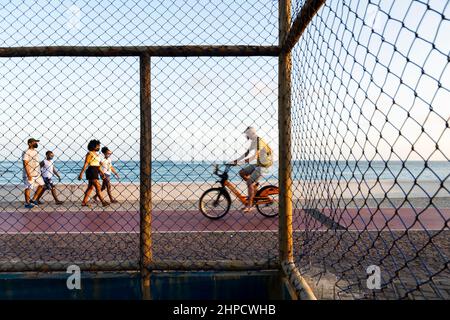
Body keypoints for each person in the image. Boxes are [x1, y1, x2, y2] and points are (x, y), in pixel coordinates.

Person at [229, 127, 273, 213]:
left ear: (251, 133)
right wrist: (236, 160)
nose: (246, 136)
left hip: (265, 165)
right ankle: (253, 187)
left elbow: (254, 156)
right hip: (259, 163)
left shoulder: (259, 141)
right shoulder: (254, 141)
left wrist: (240, 162)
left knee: (249, 182)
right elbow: (247, 153)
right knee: (242, 172)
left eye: (247, 134)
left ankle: (249, 205)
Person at [78, 140, 109, 207]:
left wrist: (101, 172)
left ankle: (84, 202)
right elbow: (86, 164)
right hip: (91, 170)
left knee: (90, 187)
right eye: (98, 146)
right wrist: (81, 173)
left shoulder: (97, 155)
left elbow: (97, 165)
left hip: (96, 170)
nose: (99, 147)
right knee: (98, 186)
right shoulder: (90, 153)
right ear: (93, 146)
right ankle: (103, 202)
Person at [22, 138, 46, 208]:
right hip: (29, 173)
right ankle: (27, 203)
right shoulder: (26, 152)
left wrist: (39, 171)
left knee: (42, 185)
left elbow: (37, 163)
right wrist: (28, 174)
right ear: (30, 144)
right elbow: (25, 163)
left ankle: (34, 199)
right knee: (28, 188)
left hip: (37, 173)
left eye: (36, 142)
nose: (36, 143)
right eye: (34, 142)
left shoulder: (35, 152)